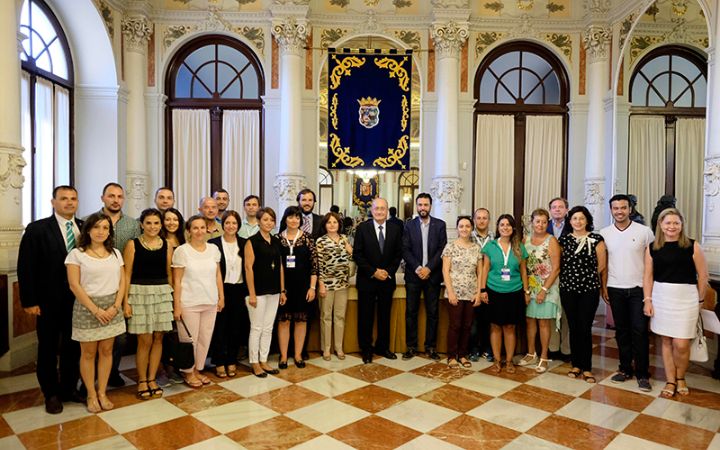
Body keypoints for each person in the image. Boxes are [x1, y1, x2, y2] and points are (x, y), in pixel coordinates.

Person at [18, 186, 84, 414]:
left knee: (72, 347)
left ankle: (68, 389)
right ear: (53, 202)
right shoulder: (37, 229)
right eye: (63, 199)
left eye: (73, 199)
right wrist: (29, 301)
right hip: (47, 302)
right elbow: (25, 267)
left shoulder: (84, 227)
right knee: (47, 348)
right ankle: (51, 394)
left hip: (77, 301)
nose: (69, 203)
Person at [643, 208, 708, 398]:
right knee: (666, 340)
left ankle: (681, 377)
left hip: (687, 297)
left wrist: (700, 299)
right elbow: (647, 276)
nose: (672, 226)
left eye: (676, 223)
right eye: (668, 223)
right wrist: (648, 300)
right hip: (661, 296)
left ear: (681, 225)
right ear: (661, 225)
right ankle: (671, 380)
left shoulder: (693, 246)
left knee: (681, 343)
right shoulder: (652, 247)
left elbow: (703, 276)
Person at [65, 212, 126, 413]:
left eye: (105, 228)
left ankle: (102, 392)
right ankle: (91, 394)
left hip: (112, 307)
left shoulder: (116, 253)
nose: (101, 232)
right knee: (88, 353)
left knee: (107, 351)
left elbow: (122, 281)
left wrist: (116, 306)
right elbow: (74, 285)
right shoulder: (77, 254)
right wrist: (96, 310)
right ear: (88, 230)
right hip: (87, 308)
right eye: (97, 227)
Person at [600, 194, 655, 392]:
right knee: (621, 331)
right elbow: (603, 264)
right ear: (611, 210)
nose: (620, 211)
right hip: (615, 288)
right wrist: (603, 287)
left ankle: (642, 373)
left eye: (623, 208)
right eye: (616, 208)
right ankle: (625, 369)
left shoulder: (644, 232)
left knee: (639, 330)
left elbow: (651, 263)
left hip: (639, 289)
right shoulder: (604, 233)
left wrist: (650, 292)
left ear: (630, 209)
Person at [123, 208, 174, 400]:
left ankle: (152, 378)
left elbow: (169, 273)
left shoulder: (167, 245)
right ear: (142, 224)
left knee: (158, 339)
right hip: (139, 293)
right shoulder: (132, 244)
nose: (152, 227)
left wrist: (173, 299)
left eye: (156, 223)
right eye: (149, 223)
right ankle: (142, 380)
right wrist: (125, 302)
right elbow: (126, 274)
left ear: (161, 225)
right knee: (144, 341)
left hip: (161, 293)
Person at [95, 182, 140, 388]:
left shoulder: (132, 224)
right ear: (103, 198)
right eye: (111, 196)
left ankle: (112, 372)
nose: (116, 200)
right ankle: (91, 377)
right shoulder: (90, 221)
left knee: (120, 338)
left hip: (122, 285)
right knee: (93, 338)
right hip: (95, 286)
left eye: (120, 196)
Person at [171, 215, 224, 388]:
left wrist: (220, 297)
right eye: (195, 228)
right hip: (189, 302)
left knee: (204, 338)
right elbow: (177, 281)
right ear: (188, 231)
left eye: (202, 228)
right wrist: (176, 305)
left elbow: (217, 275)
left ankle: (198, 370)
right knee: (189, 340)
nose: (199, 231)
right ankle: (188, 372)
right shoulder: (182, 251)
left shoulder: (213, 249)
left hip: (209, 300)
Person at [558, 206, 606, 384]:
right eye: (574, 219)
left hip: (589, 289)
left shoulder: (596, 239)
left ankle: (587, 367)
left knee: (585, 328)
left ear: (587, 220)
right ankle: (575, 364)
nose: (578, 222)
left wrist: (586, 276)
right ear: (570, 222)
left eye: (581, 218)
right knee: (573, 326)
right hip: (568, 289)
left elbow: (601, 265)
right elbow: (560, 264)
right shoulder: (563, 240)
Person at [353, 197, 403, 364]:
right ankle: (366, 349)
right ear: (372, 210)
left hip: (386, 281)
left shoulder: (396, 229)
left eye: (383, 208)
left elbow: (398, 254)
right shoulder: (362, 228)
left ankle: (383, 346)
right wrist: (374, 272)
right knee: (365, 317)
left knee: (384, 316)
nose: (380, 211)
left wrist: (387, 272)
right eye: (377, 208)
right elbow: (357, 255)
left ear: (387, 210)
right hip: (367, 280)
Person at [479, 214, 529, 374]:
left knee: (510, 327)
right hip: (493, 291)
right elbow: (485, 269)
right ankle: (496, 360)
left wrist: (526, 291)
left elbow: (523, 271)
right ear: (498, 227)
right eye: (502, 225)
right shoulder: (490, 246)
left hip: (514, 292)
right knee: (495, 327)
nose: (505, 227)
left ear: (513, 228)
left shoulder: (519, 247)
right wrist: (482, 290)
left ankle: (508, 361)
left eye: (508, 225)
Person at [401, 193, 447, 360]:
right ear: (416, 206)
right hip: (413, 276)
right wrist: (419, 268)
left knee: (433, 313)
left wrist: (428, 268)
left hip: (432, 276)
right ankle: (411, 347)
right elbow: (405, 249)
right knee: (411, 312)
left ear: (430, 206)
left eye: (425, 205)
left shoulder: (440, 225)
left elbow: (442, 249)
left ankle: (431, 347)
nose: (422, 208)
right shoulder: (408, 225)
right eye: (420, 205)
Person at [244, 207, 285, 377]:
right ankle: (254, 362)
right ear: (259, 221)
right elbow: (248, 268)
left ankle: (264, 360)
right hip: (257, 292)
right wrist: (252, 293)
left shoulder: (276, 241)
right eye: (266, 219)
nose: (269, 223)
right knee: (257, 328)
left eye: (272, 220)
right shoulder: (251, 241)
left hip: (274, 291)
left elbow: (281, 266)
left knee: (268, 328)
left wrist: (282, 290)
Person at [519, 209, 561, 374]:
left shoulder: (552, 241)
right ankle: (531, 354)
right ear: (532, 222)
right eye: (537, 221)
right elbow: (523, 267)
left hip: (547, 288)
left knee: (543, 322)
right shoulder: (525, 240)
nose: (541, 225)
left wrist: (544, 290)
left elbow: (556, 268)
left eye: (544, 222)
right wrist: (526, 290)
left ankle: (543, 356)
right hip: (530, 287)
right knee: (530, 321)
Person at [276, 206, 318, 368]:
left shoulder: (307, 238)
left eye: (297, 218)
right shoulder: (277, 239)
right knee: (284, 321)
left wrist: (312, 287)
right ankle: (284, 356)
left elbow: (315, 265)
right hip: (284, 288)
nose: (294, 220)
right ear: (285, 219)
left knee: (301, 321)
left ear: (301, 221)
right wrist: (281, 290)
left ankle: (298, 355)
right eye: (291, 217)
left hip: (303, 287)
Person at [208, 211, 248, 378]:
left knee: (235, 327)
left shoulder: (245, 243)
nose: (231, 226)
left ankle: (231, 360)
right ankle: (219, 361)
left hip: (239, 290)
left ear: (238, 225)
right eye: (227, 223)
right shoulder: (214, 243)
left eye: (234, 223)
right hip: (220, 289)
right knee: (220, 328)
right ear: (222, 224)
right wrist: (218, 294)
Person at [442, 216, 482, 368]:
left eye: (467, 226)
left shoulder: (476, 248)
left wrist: (478, 293)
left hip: (471, 292)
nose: (464, 229)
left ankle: (463, 355)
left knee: (467, 326)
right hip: (455, 292)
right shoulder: (450, 246)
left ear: (471, 228)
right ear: (457, 229)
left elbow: (479, 272)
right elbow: (445, 270)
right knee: (455, 325)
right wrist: (450, 292)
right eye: (461, 226)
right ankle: (452, 356)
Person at [316, 212, 353, 360]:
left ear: (339, 224)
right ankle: (326, 349)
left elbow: (351, 258)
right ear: (325, 225)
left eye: (335, 222)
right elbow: (318, 265)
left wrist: (351, 251)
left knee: (339, 317)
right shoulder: (320, 241)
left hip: (342, 284)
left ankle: (339, 347)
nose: (332, 225)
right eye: (329, 222)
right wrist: (321, 284)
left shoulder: (345, 239)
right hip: (327, 284)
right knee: (325, 317)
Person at [547, 197, 572, 362]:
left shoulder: (574, 225)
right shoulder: (543, 226)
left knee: (567, 315)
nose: (557, 210)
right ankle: (552, 348)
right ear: (550, 210)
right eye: (554, 207)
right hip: (548, 277)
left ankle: (566, 349)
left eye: (560, 207)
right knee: (551, 314)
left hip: (568, 276)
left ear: (566, 210)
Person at [469, 207, 493, 362]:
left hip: (491, 283)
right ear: (474, 220)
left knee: (489, 318)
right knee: (473, 320)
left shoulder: (496, 238)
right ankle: (473, 349)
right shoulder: (468, 237)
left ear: (489, 220)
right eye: (479, 218)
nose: (482, 220)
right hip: (472, 283)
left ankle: (488, 348)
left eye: (485, 218)